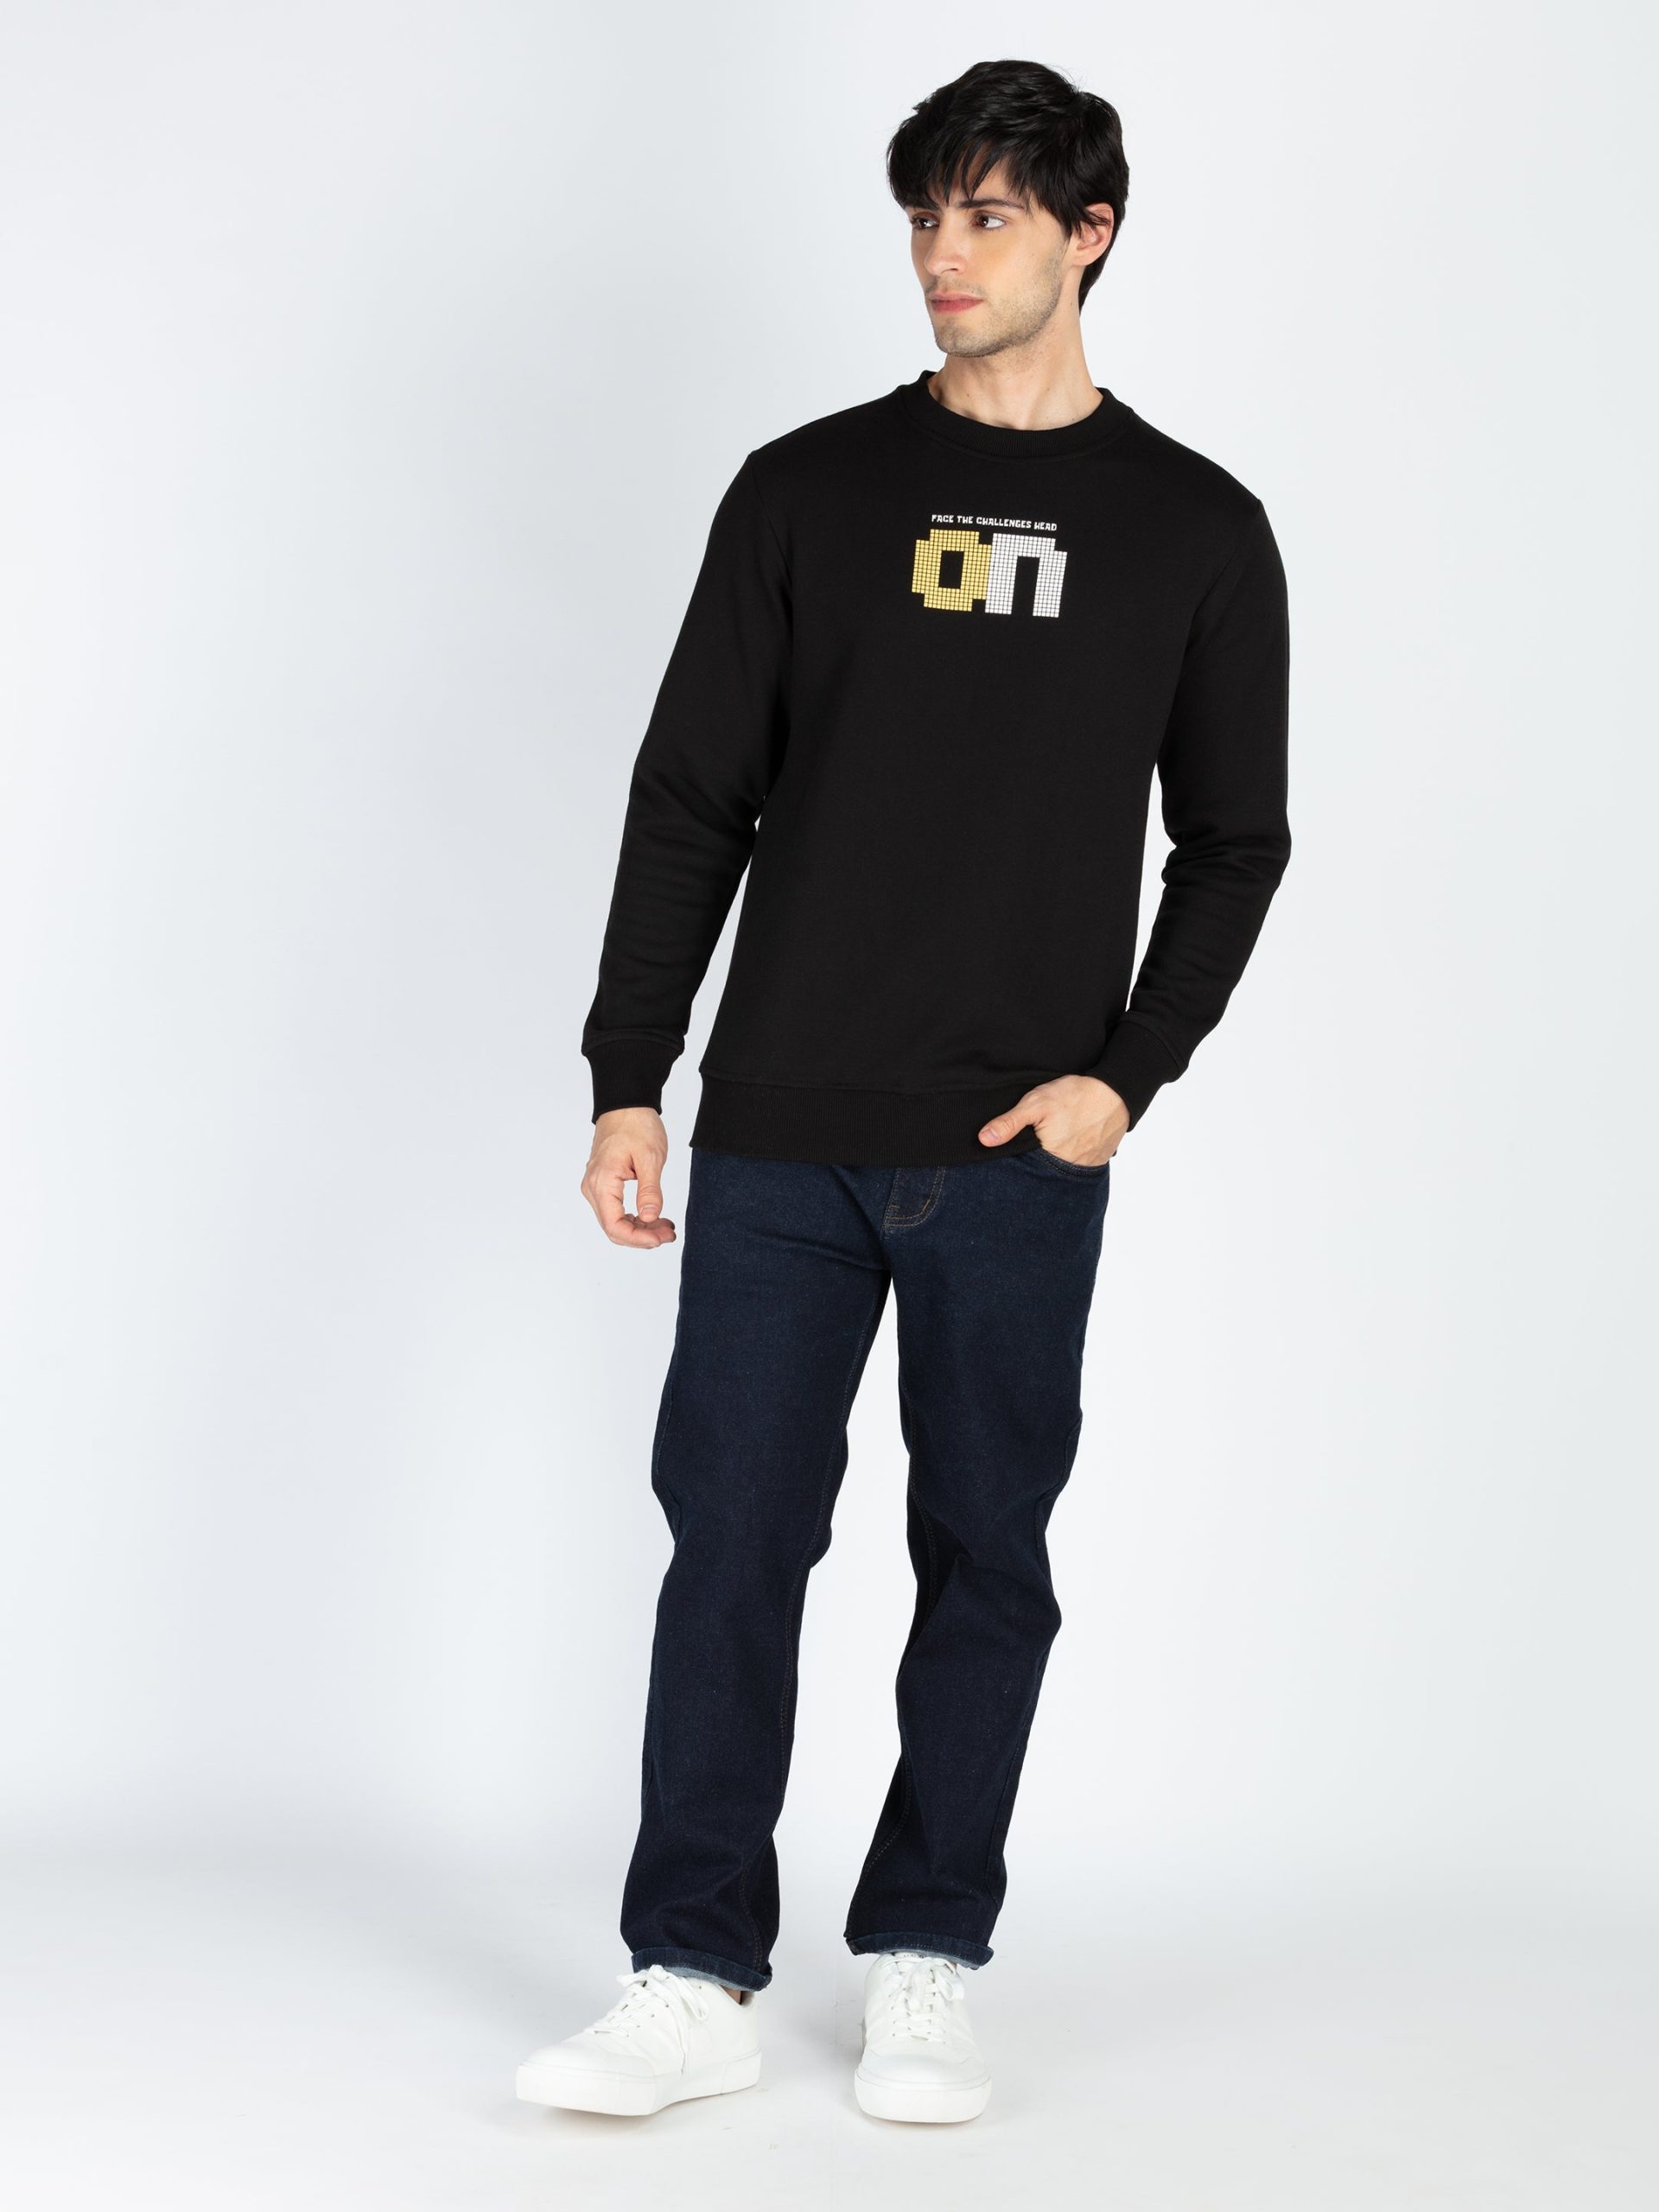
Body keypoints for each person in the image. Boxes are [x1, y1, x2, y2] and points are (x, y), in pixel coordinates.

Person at [516, 55, 1291, 2125]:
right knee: (732, 1539)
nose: (946, 253)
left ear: (1089, 233)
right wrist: (629, 1073)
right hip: (782, 1127)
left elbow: (1235, 840)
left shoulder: (1197, 529)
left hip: (1015, 1150)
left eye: (990, 214)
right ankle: (690, 1968)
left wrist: (1126, 1078)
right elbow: (692, 796)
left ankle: (930, 1951)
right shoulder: (806, 493)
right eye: (927, 215)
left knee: (986, 1552)